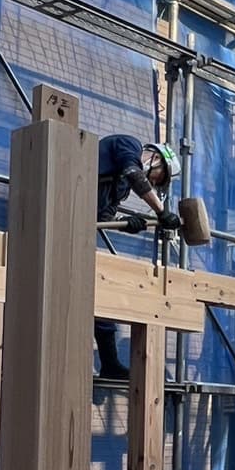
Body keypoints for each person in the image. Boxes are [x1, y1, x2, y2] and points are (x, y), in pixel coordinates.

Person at [95, 135, 178, 379]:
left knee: (100, 294)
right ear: (156, 158)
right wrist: (162, 212)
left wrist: (126, 223)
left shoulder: (120, 188)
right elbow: (135, 174)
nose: (153, 182)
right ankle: (109, 364)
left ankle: (109, 364)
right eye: (158, 177)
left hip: (75, 226)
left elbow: (102, 217)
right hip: (61, 206)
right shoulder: (128, 145)